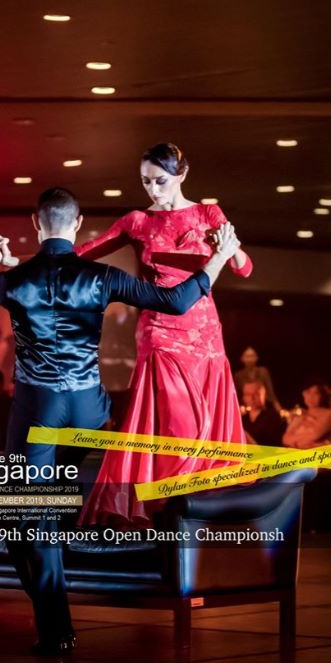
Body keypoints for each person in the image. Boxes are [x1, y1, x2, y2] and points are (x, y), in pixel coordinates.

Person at [0, 186, 239, 656]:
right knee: (25, 508)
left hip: (39, 415)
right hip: (90, 415)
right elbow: (178, 301)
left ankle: (56, 629)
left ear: (36, 223)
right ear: (77, 225)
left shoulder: (16, 279)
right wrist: (218, 259)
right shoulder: (102, 276)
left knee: (25, 515)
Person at [76, 142, 253, 526]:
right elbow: (84, 252)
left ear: (181, 175)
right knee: (179, 425)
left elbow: (244, 268)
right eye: (146, 181)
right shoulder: (137, 221)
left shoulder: (208, 213)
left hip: (205, 334)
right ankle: (165, 506)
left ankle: (194, 516)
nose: (153, 190)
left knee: (207, 426)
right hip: (160, 332)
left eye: (160, 181)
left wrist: (229, 249)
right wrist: (33, 263)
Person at [283, 383, 331, 449]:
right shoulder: (300, 416)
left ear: (322, 395)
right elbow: (285, 439)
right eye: (308, 392)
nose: (311, 396)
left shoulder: (327, 414)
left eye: (316, 393)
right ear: (303, 394)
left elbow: (315, 434)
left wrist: (295, 440)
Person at [234, 346, 281, 411]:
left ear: (256, 358)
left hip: (263, 408)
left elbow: (271, 394)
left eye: (252, 356)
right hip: (246, 410)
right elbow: (237, 396)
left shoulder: (263, 372)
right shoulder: (238, 376)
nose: (250, 359)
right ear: (242, 358)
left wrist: (280, 411)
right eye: (247, 356)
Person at [242, 381, 286, 447]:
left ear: (264, 395)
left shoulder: (273, 417)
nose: (252, 398)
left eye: (256, 394)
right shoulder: (242, 419)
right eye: (248, 394)